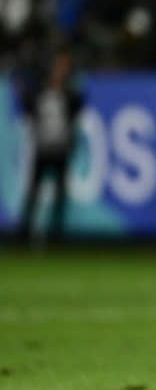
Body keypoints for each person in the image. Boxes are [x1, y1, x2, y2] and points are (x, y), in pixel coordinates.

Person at [16, 46, 84, 243]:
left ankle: (56, 235)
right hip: (43, 146)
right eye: (59, 65)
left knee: (60, 194)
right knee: (34, 191)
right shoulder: (41, 90)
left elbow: (78, 109)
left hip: (61, 148)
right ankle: (24, 233)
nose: (61, 69)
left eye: (65, 66)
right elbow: (28, 110)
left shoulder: (69, 91)